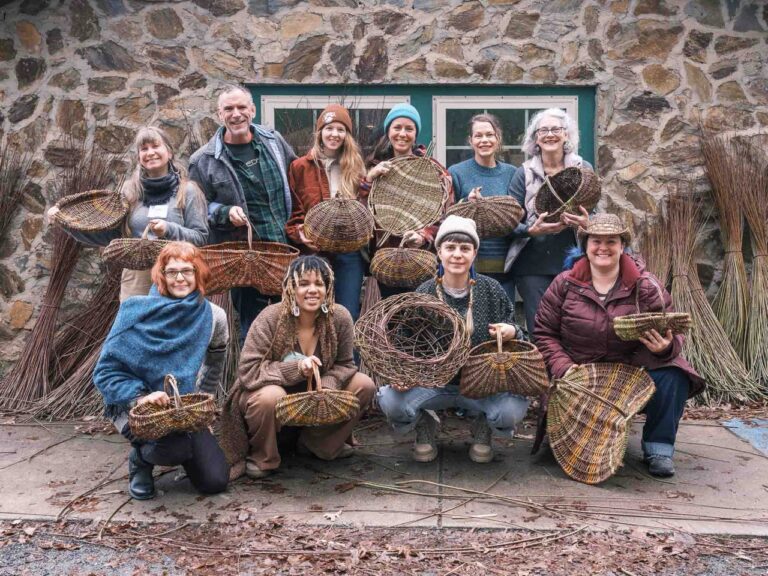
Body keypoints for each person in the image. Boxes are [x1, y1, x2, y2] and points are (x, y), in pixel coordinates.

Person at [534, 214, 705, 478]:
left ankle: (658, 447)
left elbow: (672, 328)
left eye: (611, 241)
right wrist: (564, 367)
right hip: (579, 372)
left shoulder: (645, 285)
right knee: (574, 455)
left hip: (631, 371)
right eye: (596, 241)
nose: (603, 247)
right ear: (585, 246)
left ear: (622, 245)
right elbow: (544, 333)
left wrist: (664, 348)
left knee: (674, 373)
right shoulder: (565, 283)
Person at [377, 215, 529, 464]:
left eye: (465, 248)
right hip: (433, 384)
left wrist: (512, 331)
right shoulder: (424, 292)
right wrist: (401, 376)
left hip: (482, 385)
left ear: (474, 253)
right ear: (438, 251)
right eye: (450, 247)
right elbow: (404, 341)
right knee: (389, 399)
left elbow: (519, 334)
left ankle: (484, 427)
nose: (457, 254)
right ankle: (424, 424)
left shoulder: (491, 290)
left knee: (511, 409)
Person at [219, 255, 376, 480]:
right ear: (291, 287)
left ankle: (317, 444)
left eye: (319, 283)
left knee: (364, 384)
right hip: (269, 391)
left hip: (316, 392)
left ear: (328, 287)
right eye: (303, 284)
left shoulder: (339, 317)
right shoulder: (270, 318)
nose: (312, 290)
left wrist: (329, 385)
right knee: (271, 397)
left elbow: (346, 364)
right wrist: (296, 369)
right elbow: (248, 371)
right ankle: (264, 457)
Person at [94, 242, 230, 499]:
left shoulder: (214, 316)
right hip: (136, 406)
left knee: (215, 481)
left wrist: (202, 409)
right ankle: (141, 461)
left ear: (198, 272)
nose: (180, 278)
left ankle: (178, 445)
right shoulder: (134, 311)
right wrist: (140, 397)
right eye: (172, 271)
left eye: (188, 271)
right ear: (161, 275)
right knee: (173, 449)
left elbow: (215, 363)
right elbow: (105, 372)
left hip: (182, 408)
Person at [48, 126, 208, 301]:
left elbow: (200, 238)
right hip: (137, 279)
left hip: (178, 277)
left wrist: (169, 229)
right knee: (134, 327)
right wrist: (65, 222)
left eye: (156, 146)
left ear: (169, 152)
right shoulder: (129, 193)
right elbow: (112, 236)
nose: (150, 152)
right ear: (139, 157)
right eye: (144, 149)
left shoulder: (188, 191)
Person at [189, 84, 297, 342]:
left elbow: (297, 179)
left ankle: (293, 377)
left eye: (241, 107)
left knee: (293, 323)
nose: (236, 114)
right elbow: (197, 210)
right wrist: (225, 212)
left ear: (252, 110)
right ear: (219, 114)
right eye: (229, 109)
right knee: (254, 330)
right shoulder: (203, 160)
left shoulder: (274, 142)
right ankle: (254, 380)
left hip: (285, 251)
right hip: (245, 260)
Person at [505, 108, 592, 334]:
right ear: (535, 138)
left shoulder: (583, 169)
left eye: (556, 129)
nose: (550, 134)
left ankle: (570, 370)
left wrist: (586, 222)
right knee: (541, 327)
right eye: (543, 130)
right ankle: (543, 369)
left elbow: (595, 213)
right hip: (532, 265)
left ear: (566, 135)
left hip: (575, 262)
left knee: (575, 326)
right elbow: (509, 221)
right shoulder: (522, 173)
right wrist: (530, 230)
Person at [285, 104, 368, 321]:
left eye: (341, 130)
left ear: (347, 135)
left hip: (349, 253)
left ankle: (347, 356)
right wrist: (300, 233)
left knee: (347, 313)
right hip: (314, 251)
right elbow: (294, 211)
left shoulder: (355, 167)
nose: (334, 134)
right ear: (319, 132)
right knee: (311, 314)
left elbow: (364, 211)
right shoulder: (299, 167)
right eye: (329, 128)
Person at [364, 103, 452, 297]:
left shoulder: (433, 170)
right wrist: (369, 178)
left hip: (422, 260)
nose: (402, 134)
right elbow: (360, 212)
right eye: (397, 127)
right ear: (388, 132)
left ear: (415, 134)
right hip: (386, 260)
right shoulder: (375, 167)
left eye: (409, 129)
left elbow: (446, 214)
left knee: (422, 315)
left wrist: (423, 236)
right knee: (393, 317)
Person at [448, 113, 518, 302]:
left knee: (501, 326)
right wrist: (466, 204)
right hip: (466, 268)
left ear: (498, 138)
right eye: (478, 136)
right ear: (471, 141)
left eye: (489, 134)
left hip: (505, 269)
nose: (484, 140)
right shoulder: (456, 172)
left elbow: (517, 216)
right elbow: (446, 216)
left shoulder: (512, 174)